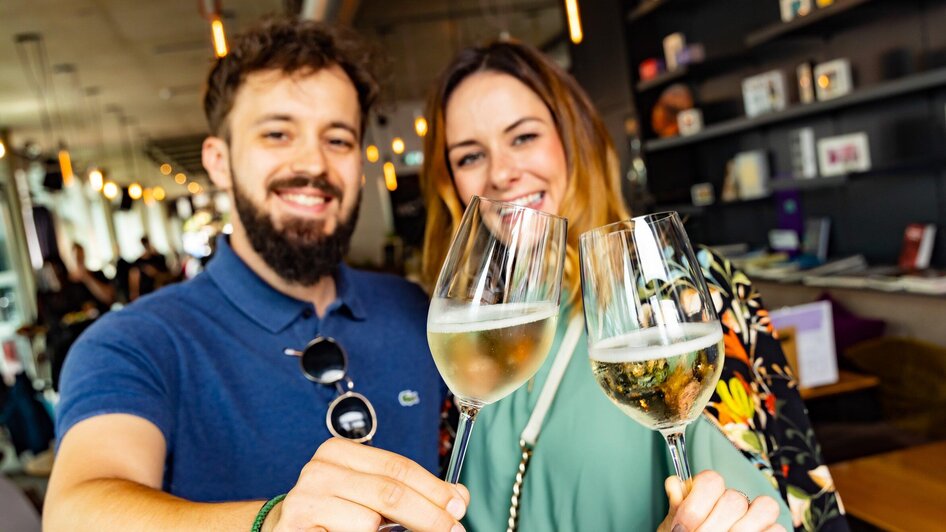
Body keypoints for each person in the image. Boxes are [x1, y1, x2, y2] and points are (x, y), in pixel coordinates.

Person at [45, 18, 469, 532]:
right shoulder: (133, 342)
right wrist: (273, 522)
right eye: (277, 133)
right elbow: (77, 512)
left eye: (337, 139)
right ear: (219, 162)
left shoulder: (412, 308)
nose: (312, 163)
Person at [421, 40, 847, 531]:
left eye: (523, 137)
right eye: (471, 156)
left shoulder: (687, 292)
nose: (501, 172)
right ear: (450, 181)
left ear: (573, 139)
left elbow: (788, 507)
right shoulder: (474, 324)